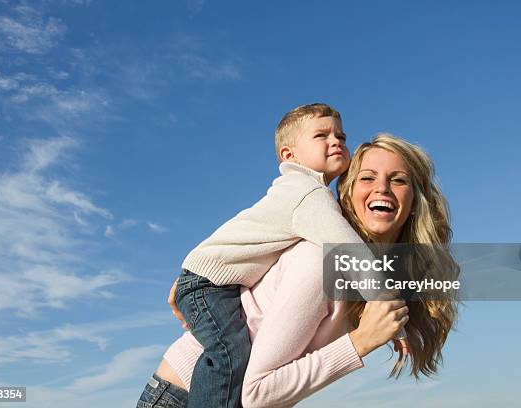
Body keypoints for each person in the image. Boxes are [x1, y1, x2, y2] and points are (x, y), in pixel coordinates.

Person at [137, 133, 458, 407]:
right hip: (183, 396)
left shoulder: (375, 273)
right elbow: (257, 393)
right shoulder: (320, 260)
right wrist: (361, 341)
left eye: (398, 179)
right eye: (367, 177)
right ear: (347, 192)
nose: (382, 188)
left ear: (415, 199)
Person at [157, 103, 398, 408]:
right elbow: (348, 250)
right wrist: (385, 303)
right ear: (289, 155)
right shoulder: (308, 196)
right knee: (227, 353)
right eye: (321, 135)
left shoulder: (305, 199)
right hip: (207, 289)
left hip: (210, 282)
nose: (336, 141)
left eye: (341, 135)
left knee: (228, 352)